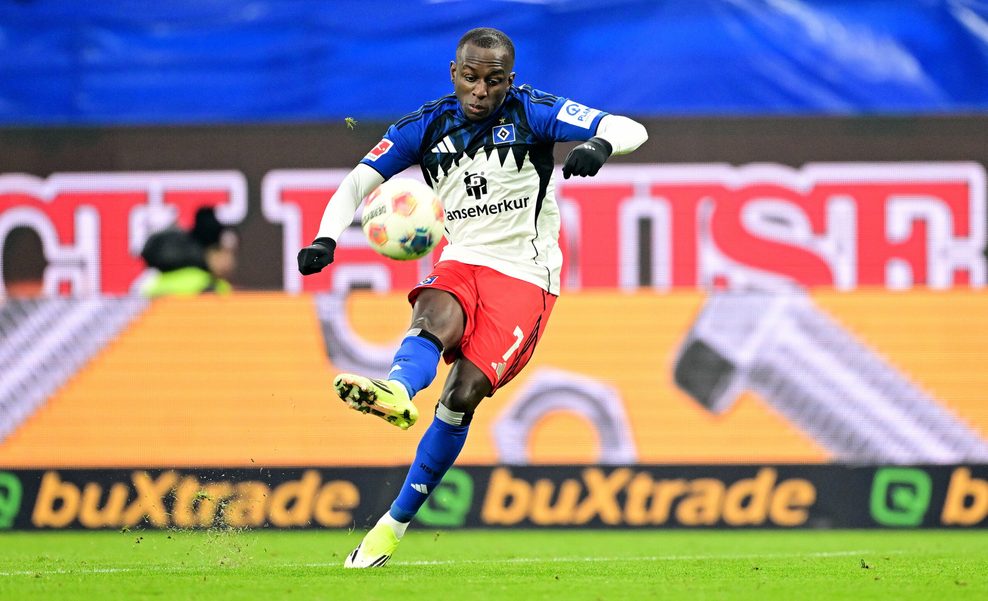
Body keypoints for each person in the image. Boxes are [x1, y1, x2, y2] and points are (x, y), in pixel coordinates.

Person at [297, 27, 647, 567]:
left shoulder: (535, 112)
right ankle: (395, 390)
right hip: (462, 259)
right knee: (432, 313)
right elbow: (359, 182)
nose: (481, 91)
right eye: (470, 77)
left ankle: (391, 526)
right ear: (453, 72)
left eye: (494, 80)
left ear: (510, 79)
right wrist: (325, 236)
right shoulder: (426, 125)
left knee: (461, 397)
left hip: (527, 276)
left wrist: (599, 144)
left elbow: (630, 128)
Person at [140, 206, 239, 297]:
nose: (231, 262)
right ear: (211, 252)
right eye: (226, 252)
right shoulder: (215, 289)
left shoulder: (152, 287)